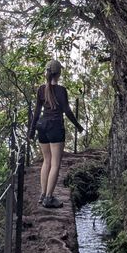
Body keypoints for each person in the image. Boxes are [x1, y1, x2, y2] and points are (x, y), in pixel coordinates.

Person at [29, 59, 83, 208]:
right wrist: (78, 126)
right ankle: (49, 198)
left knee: (46, 161)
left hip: (42, 126)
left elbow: (36, 112)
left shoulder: (41, 89)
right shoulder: (61, 90)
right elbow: (67, 111)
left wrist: (32, 131)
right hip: (55, 128)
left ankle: (43, 194)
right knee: (55, 164)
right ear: (59, 74)